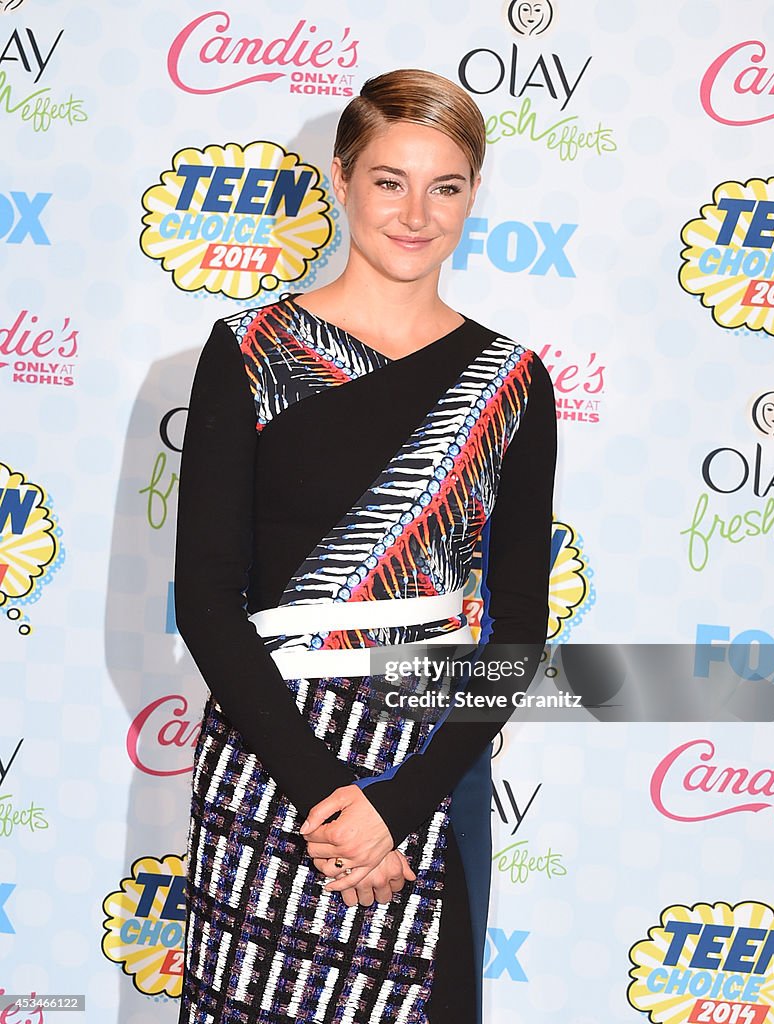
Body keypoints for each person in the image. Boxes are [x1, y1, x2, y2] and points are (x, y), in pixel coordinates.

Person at [174, 68, 557, 1024]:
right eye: (390, 181)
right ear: (342, 180)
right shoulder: (251, 351)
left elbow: (518, 624)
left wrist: (404, 801)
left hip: (427, 760)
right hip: (273, 767)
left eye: (447, 186)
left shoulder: (512, 380)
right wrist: (328, 796)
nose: (416, 213)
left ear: (474, 196)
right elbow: (208, 600)